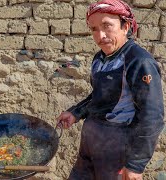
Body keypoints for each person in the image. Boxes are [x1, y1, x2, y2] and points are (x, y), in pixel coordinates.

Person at [56, 0, 164, 179]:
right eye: (94, 29)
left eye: (107, 26)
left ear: (125, 26)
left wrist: (136, 165)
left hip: (117, 151)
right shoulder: (100, 58)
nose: (101, 35)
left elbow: (152, 116)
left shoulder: (139, 61)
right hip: (91, 145)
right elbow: (97, 96)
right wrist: (75, 113)